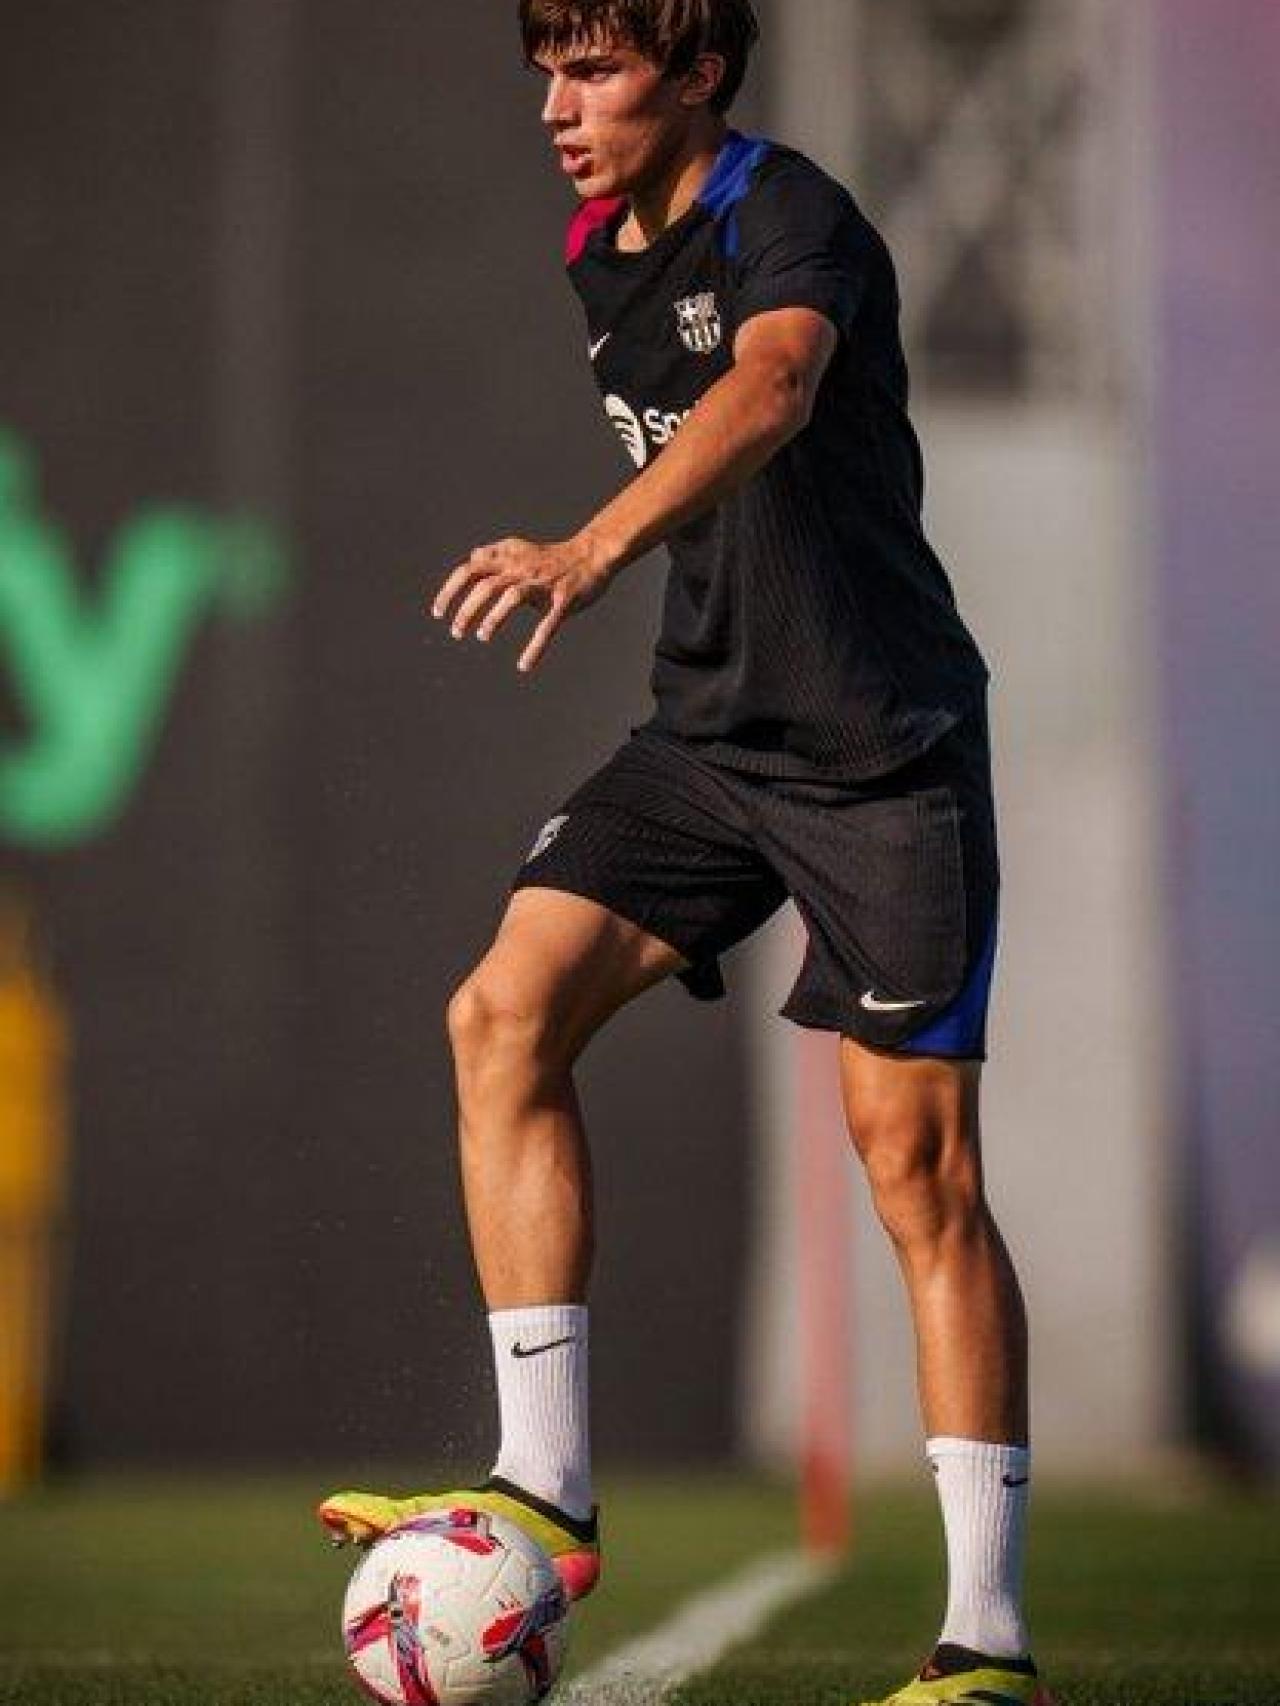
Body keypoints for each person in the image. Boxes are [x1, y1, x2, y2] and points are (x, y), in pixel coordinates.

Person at [320, 4, 1051, 1702]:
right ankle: (547, 1491)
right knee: (499, 1012)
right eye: (546, 76)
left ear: (699, 72)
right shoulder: (599, 245)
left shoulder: (787, 216)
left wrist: (589, 544)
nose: (559, 109)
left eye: (595, 72)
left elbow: (777, 385)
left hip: (884, 752)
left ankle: (987, 1646)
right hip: (710, 744)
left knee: (915, 1166)